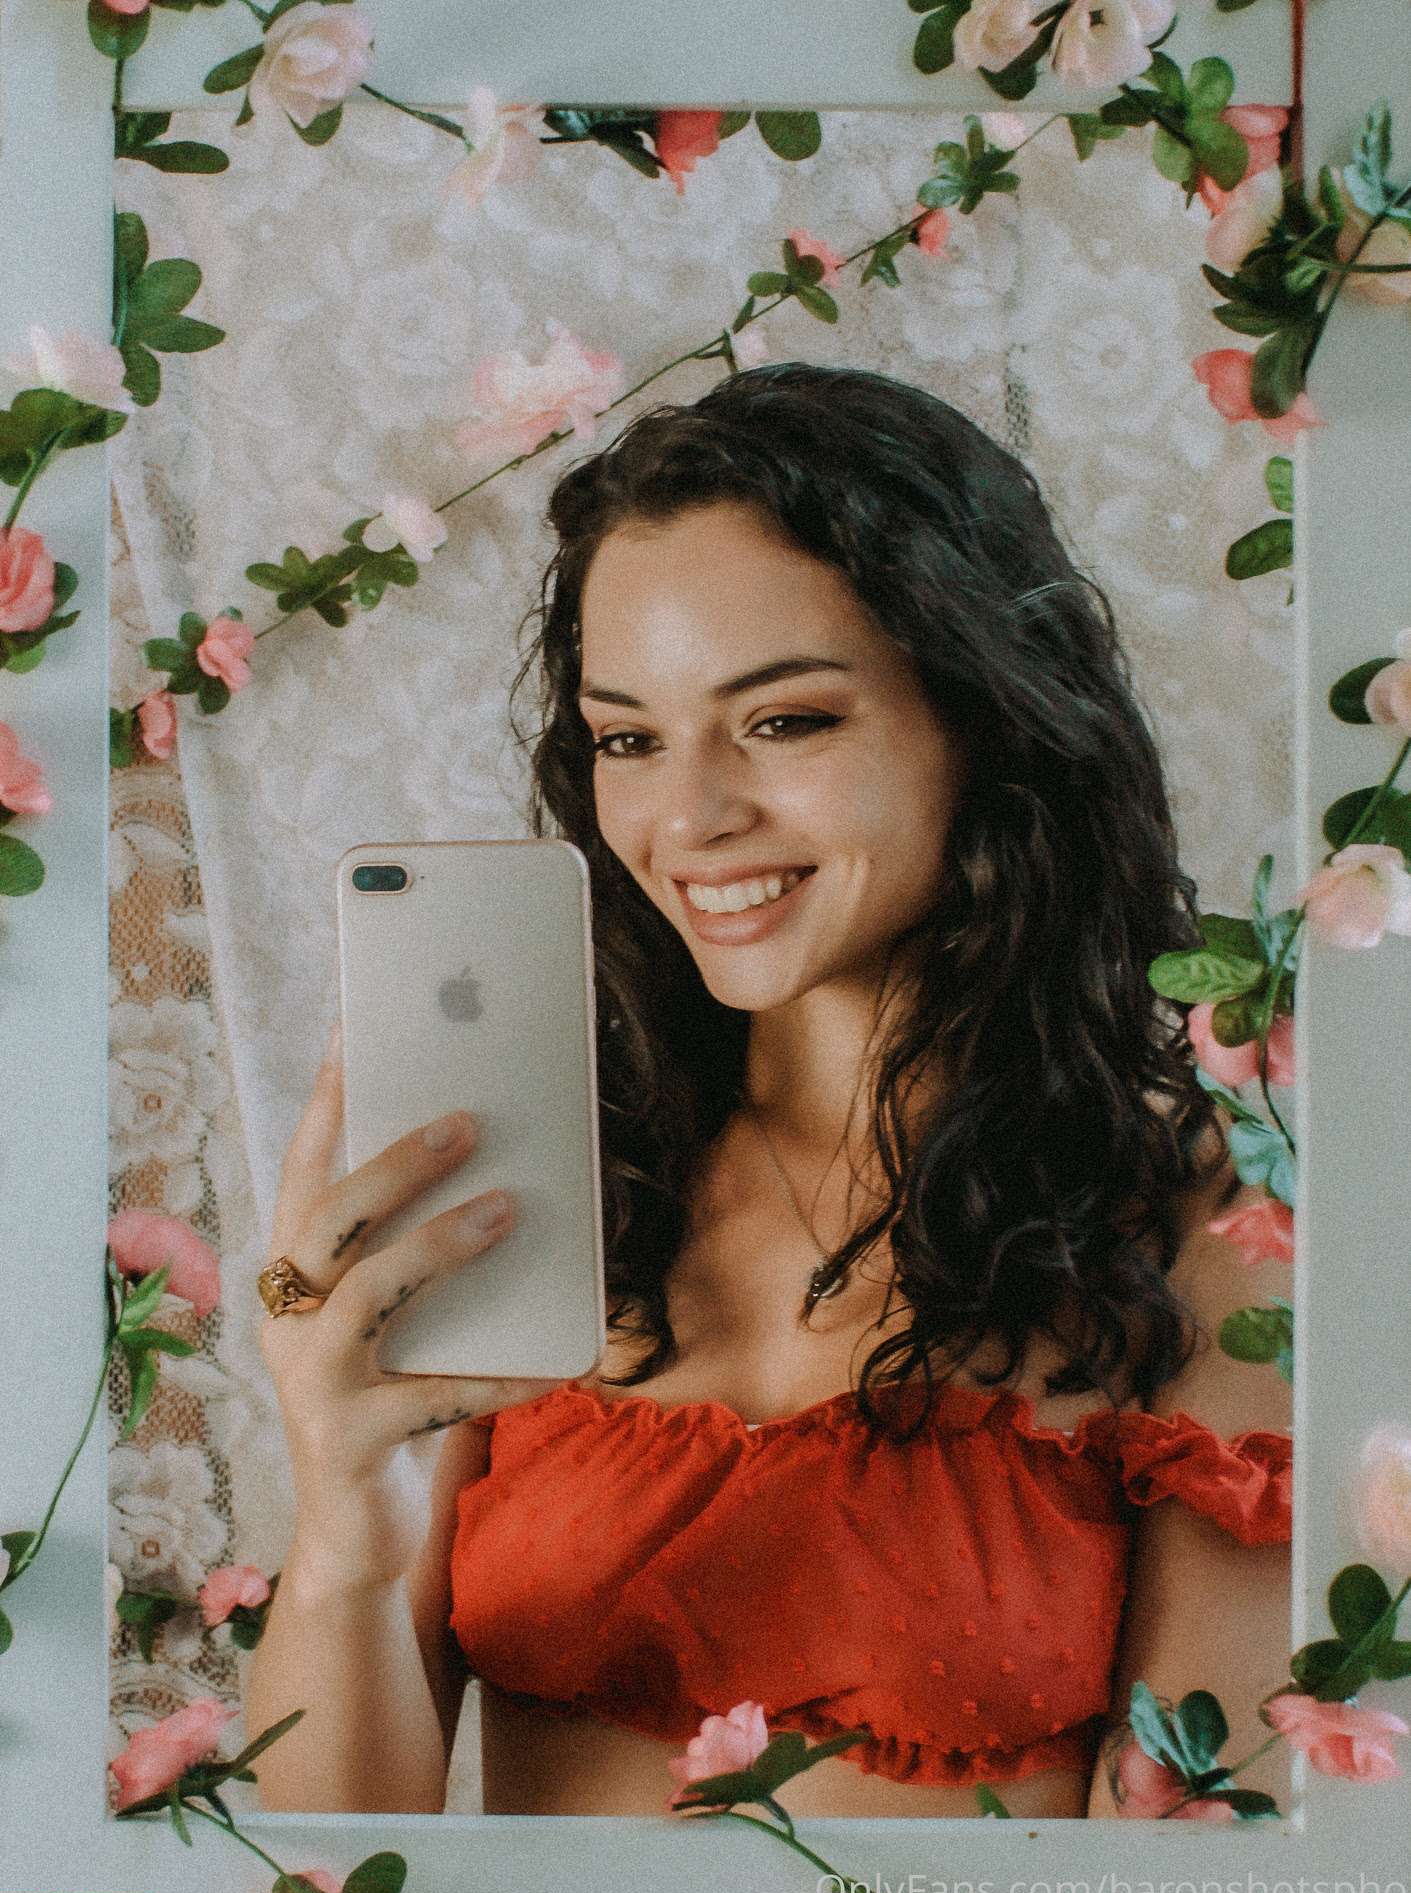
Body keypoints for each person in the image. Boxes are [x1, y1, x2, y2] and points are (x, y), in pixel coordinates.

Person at [245, 363, 1292, 1819]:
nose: (688, 816)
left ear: (986, 715)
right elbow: (323, 1876)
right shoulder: (538, 1181)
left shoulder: (1197, 1223)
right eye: (629, 739)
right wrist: (343, 1529)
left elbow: (1196, 1878)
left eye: (785, 721)